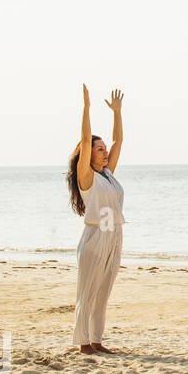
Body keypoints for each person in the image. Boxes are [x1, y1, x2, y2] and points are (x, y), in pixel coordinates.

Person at [67, 85, 125, 355]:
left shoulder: (108, 174)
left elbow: (118, 142)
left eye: (103, 149)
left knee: (103, 292)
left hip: (114, 235)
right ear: (88, 154)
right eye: (98, 149)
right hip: (95, 237)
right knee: (87, 292)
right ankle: (83, 343)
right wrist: (86, 108)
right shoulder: (87, 177)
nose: (103, 152)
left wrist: (117, 113)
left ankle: (96, 341)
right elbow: (85, 139)